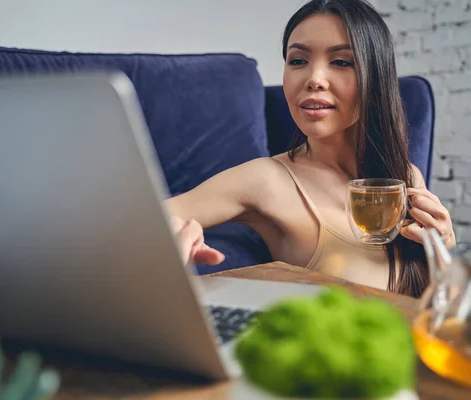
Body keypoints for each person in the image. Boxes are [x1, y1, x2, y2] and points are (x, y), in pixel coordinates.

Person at [166, 0, 455, 298]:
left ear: (375, 80)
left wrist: (444, 248)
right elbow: (141, 220)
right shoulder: (265, 180)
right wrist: (172, 231)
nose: (314, 79)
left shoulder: (406, 177)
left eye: (342, 62)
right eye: (298, 61)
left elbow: (447, 309)